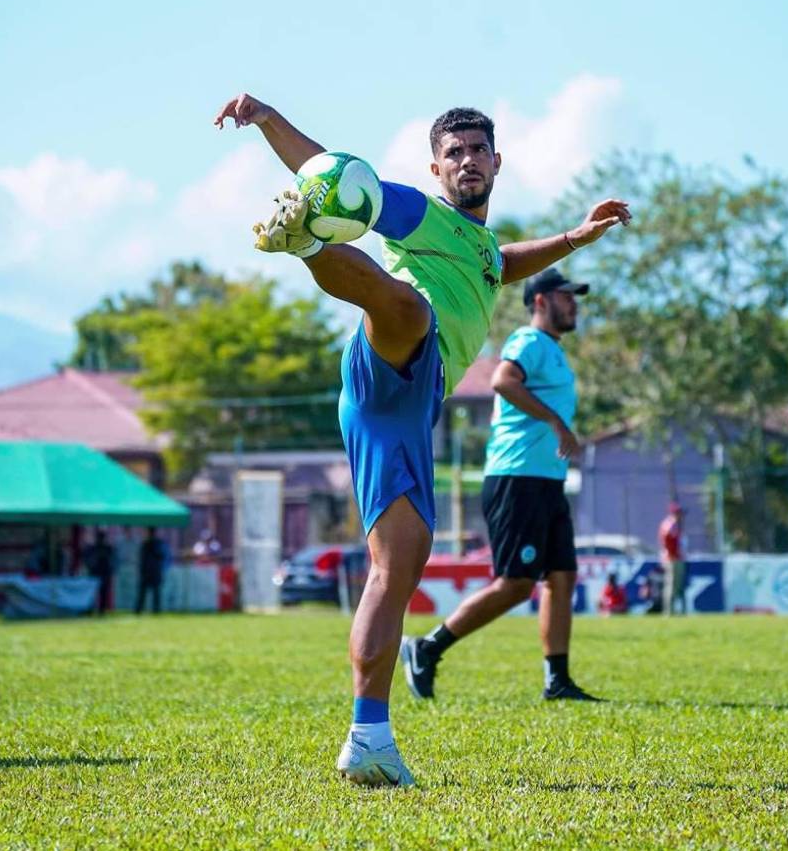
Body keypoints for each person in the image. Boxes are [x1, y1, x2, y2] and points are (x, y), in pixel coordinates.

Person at [214, 92, 630, 787]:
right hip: (396, 363)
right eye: (454, 153)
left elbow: (501, 260)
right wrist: (267, 120)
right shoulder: (419, 212)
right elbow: (336, 173)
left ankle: (369, 737)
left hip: (410, 400)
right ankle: (310, 242)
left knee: (398, 568)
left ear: (497, 161)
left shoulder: (481, 248)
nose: (467, 160)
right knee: (408, 308)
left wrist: (574, 240)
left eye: (477, 150)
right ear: (437, 169)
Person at [400, 268, 601, 704]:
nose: (575, 305)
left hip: (547, 480)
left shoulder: (552, 350)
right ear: (542, 301)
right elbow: (502, 381)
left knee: (562, 577)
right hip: (517, 478)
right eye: (567, 297)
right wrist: (555, 422)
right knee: (516, 583)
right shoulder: (528, 342)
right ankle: (427, 647)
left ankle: (557, 680)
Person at [658, 502, 687, 614]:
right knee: (671, 585)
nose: (681, 515)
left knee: (677, 586)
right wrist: (672, 554)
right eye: (679, 512)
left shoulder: (674, 524)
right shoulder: (670, 524)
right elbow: (667, 540)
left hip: (676, 557)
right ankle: (669, 611)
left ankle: (675, 610)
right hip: (672, 558)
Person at [135, 526, 168, 614]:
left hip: (154, 571)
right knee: (143, 592)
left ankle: (156, 610)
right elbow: (142, 558)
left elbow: (161, 556)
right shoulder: (145, 544)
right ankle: (139, 609)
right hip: (147, 571)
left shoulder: (157, 544)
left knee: (155, 592)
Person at [85, 528, 116, 615]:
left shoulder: (107, 548)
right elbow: (88, 561)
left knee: (102, 593)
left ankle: (100, 611)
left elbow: (112, 561)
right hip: (96, 573)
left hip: (103, 573)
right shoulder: (93, 548)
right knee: (93, 593)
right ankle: (91, 610)